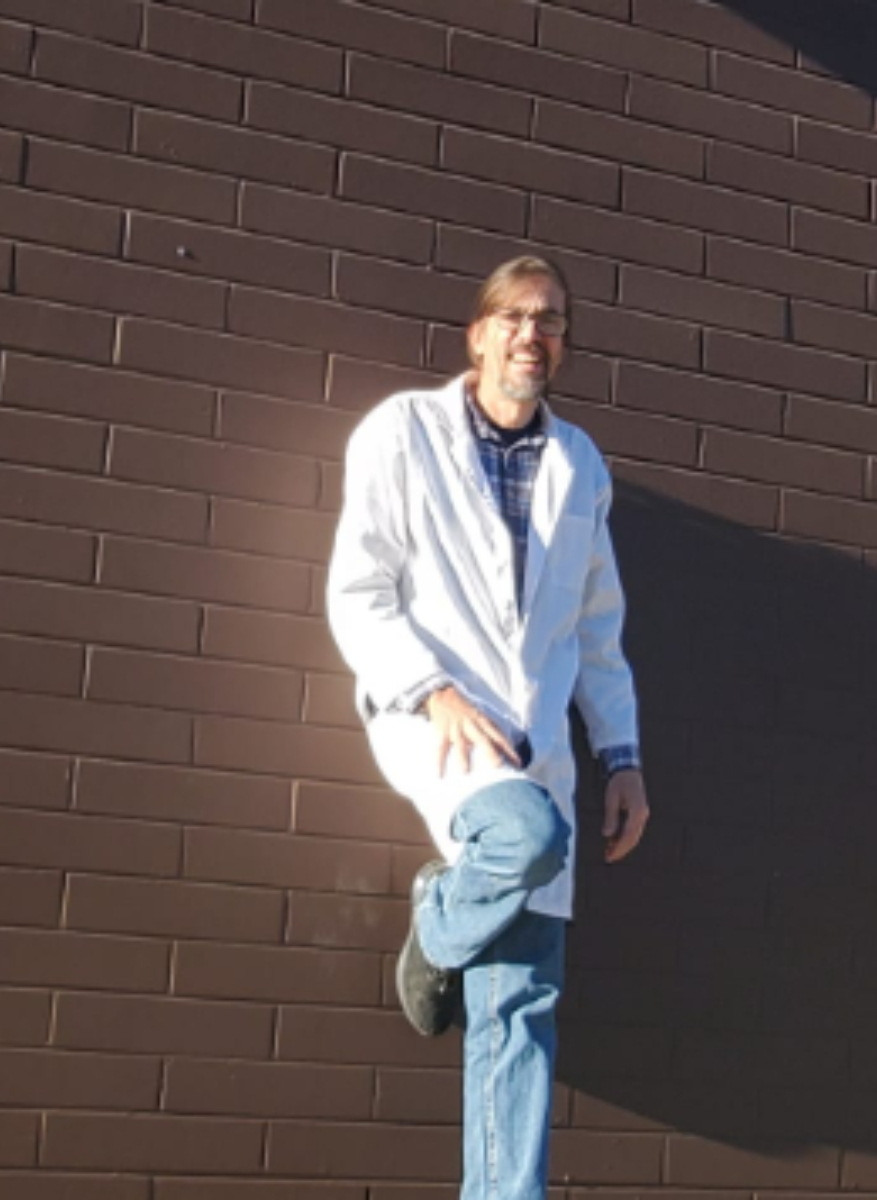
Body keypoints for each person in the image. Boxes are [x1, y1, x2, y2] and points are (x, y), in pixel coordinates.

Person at [327, 255, 649, 1200]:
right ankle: (438, 926)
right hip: (440, 725)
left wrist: (623, 757)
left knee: (520, 1015)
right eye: (513, 317)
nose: (531, 335)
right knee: (528, 836)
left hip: (538, 743)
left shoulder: (580, 465)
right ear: (478, 336)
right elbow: (358, 590)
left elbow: (597, 629)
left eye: (549, 321)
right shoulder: (403, 432)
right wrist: (430, 690)